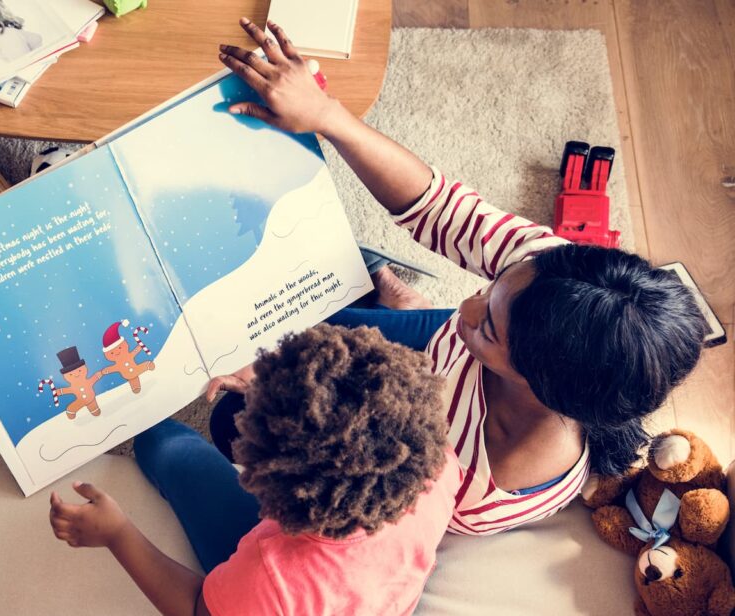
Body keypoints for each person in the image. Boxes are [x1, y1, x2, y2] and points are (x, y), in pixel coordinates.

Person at [208, 18, 708, 535]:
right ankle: (402, 301)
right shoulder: (554, 275)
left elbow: (354, 499)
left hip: (413, 409)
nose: (466, 304)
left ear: (539, 381)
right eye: (493, 283)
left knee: (234, 417)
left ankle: (395, 300)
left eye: (490, 323)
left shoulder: (471, 484)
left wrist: (282, 391)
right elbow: (439, 208)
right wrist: (327, 116)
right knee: (307, 304)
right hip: (443, 355)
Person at [50, 324, 460, 615]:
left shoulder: (271, 580)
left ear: (272, 488)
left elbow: (197, 608)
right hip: (360, 579)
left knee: (161, 442)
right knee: (191, 433)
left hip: (286, 593)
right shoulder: (440, 465)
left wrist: (118, 533)